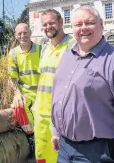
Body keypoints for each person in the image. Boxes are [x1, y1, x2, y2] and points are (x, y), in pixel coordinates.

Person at [51, 6, 114, 163]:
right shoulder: (68, 55)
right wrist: (56, 130)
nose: (83, 28)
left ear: (101, 25)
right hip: (64, 147)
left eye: (89, 22)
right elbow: (58, 94)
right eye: (78, 24)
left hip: (96, 153)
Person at [34, 9, 75, 163]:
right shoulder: (44, 49)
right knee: (41, 154)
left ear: (61, 22)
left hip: (60, 115)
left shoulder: (73, 46)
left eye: (51, 23)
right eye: (44, 24)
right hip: (40, 113)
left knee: (59, 155)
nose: (48, 27)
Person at [8, 23, 41, 158]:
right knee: (18, 107)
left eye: (25, 32)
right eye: (19, 33)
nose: (23, 36)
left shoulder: (41, 50)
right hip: (25, 92)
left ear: (30, 33)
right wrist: (17, 94)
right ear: (16, 36)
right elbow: (12, 77)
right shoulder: (13, 53)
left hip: (41, 91)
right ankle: (31, 137)